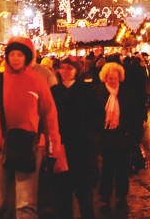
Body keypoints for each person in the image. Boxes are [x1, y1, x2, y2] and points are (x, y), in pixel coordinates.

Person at [0, 36, 61, 219]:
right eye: (12, 54)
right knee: (4, 202)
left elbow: (49, 117)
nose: (15, 58)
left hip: (29, 147)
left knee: (26, 203)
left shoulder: (37, 82)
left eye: (20, 54)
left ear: (27, 57)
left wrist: (53, 150)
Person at [50, 56, 100, 219]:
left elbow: (96, 117)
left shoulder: (86, 91)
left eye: (69, 68)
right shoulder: (54, 92)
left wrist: (90, 138)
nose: (65, 71)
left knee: (84, 195)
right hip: (61, 148)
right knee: (62, 196)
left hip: (82, 149)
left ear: (76, 71)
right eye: (62, 68)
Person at [94, 60, 138, 206]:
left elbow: (134, 115)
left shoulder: (127, 92)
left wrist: (133, 135)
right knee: (107, 166)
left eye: (115, 78)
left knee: (122, 166)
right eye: (110, 78)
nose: (113, 80)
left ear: (120, 78)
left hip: (123, 135)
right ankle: (105, 195)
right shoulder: (98, 92)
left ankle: (121, 194)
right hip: (105, 135)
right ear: (105, 78)